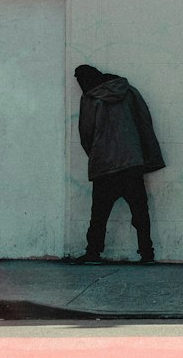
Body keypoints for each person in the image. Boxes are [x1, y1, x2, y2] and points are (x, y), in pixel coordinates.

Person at [71, 63, 164, 264]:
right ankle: (147, 254)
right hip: (131, 162)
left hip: (105, 165)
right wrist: (143, 153)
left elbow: (86, 132)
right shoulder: (129, 91)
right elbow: (144, 121)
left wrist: (95, 152)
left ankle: (93, 253)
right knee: (140, 210)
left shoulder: (90, 97)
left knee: (99, 214)